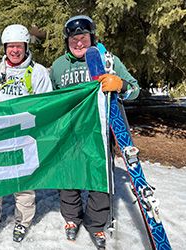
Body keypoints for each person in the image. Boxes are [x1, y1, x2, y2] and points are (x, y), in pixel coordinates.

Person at [50, 15, 140, 249]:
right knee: (68, 177)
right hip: (69, 132)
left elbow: (135, 88)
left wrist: (120, 85)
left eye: (83, 38)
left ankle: (96, 223)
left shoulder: (108, 60)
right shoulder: (59, 66)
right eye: (73, 39)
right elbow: (51, 98)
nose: (78, 43)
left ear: (92, 38)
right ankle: (71, 218)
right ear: (67, 41)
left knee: (100, 179)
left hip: (99, 133)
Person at [0, 24, 53, 242]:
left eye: (19, 46)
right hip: (0, 134)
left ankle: (23, 221)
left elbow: (47, 103)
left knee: (24, 183)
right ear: (5, 48)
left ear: (26, 47)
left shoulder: (37, 72)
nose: (15, 51)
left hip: (25, 136)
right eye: (10, 47)